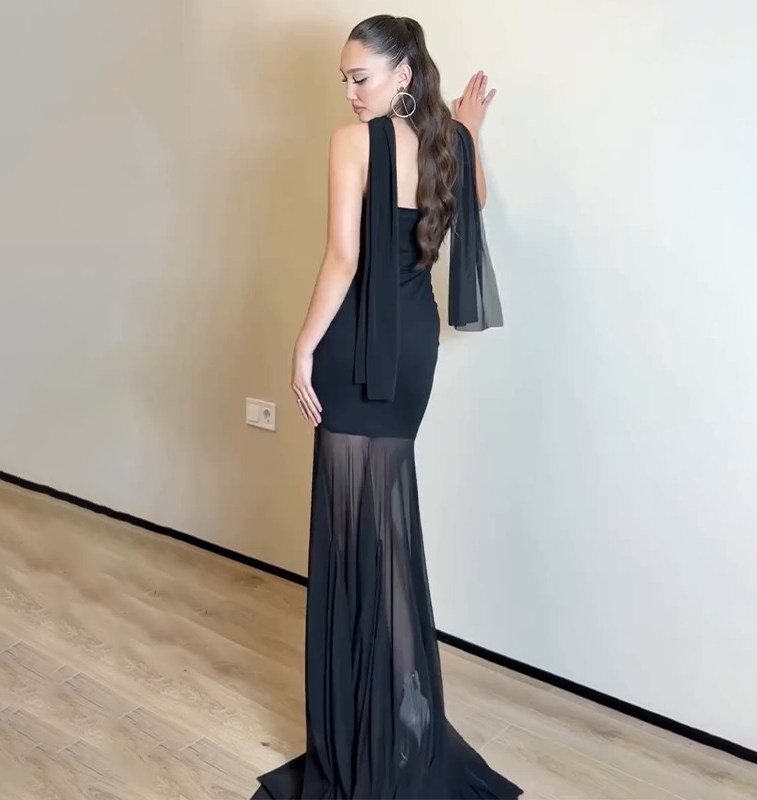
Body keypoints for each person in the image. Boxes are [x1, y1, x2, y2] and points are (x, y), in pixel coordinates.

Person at [253, 14, 523, 800]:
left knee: (356, 538)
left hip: (354, 349)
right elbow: (472, 203)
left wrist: (303, 347)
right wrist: (470, 132)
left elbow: (343, 258)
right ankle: (407, 725)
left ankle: (366, 731)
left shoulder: (351, 145)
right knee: (388, 537)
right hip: (412, 354)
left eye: (361, 77)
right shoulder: (449, 144)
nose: (349, 91)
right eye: (344, 79)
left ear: (403, 74)